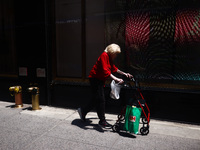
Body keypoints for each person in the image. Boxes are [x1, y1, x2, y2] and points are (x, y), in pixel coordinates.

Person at [78, 43, 133, 128]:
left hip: (99, 79)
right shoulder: (104, 55)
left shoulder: (108, 57)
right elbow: (105, 70)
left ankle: (83, 111)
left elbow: (113, 68)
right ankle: (102, 121)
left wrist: (125, 74)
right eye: (116, 54)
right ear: (112, 52)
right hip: (95, 79)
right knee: (101, 100)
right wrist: (116, 79)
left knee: (96, 99)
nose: (116, 56)